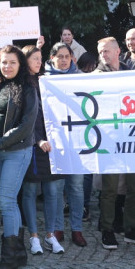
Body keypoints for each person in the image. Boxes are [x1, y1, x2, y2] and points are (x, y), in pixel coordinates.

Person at [0, 45, 37, 269]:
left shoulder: (28, 88)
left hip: (15, 151)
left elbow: (27, 125)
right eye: (4, 62)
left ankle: (8, 262)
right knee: (9, 201)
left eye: (12, 62)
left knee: (6, 202)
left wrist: (0, 143)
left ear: (20, 64)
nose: (7, 66)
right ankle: (20, 253)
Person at [94, 38, 135, 250]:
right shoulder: (95, 77)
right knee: (110, 188)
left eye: (107, 51)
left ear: (118, 51)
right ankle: (107, 229)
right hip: (110, 140)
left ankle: (131, 227)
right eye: (100, 52)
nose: (104, 55)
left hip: (134, 138)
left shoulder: (132, 73)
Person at [19, 45, 66, 255]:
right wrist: (37, 139)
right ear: (25, 60)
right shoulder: (20, 84)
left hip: (51, 144)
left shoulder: (47, 81)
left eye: (40, 59)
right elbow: (23, 118)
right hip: (30, 145)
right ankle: (33, 236)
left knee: (52, 191)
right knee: (29, 191)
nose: (39, 63)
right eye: (34, 59)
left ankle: (50, 235)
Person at [45, 43, 86, 247]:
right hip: (55, 142)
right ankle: (57, 228)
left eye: (66, 56)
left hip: (78, 141)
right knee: (56, 189)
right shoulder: (43, 80)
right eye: (59, 56)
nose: (63, 60)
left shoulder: (80, 79)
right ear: (52, 58)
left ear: (72, 59)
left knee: (77, 188)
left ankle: (77, 229)